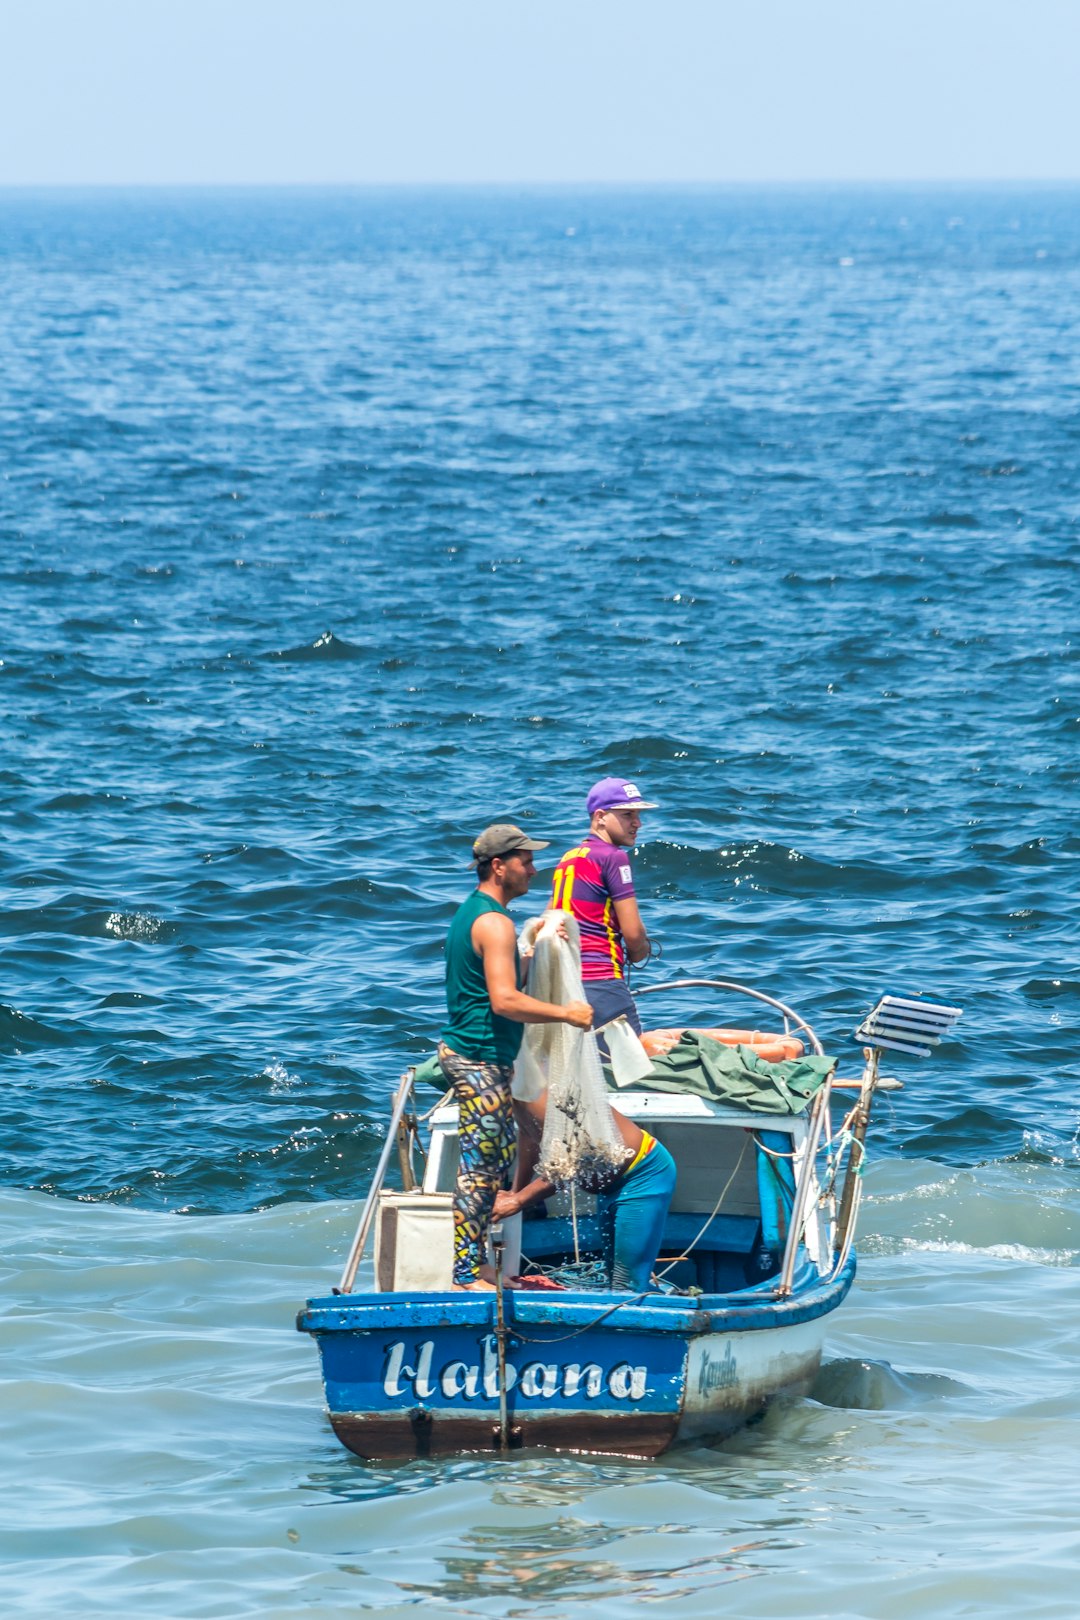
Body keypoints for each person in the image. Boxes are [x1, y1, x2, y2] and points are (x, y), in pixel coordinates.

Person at [438, 823, 593, 1292]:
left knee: (495, 1158)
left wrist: (538, 946)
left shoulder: (480, 916)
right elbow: (504, 1001)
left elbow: (503, 982)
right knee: (481, 1169)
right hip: (476, 1057)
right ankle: (465, 1274)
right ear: (499, 866)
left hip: (483, 1057)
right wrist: (567, 1012)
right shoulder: (492, 921)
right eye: (525, 861)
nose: (533, 869)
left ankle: (478, 1265)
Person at [493, 1094, 677, 1293]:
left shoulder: (540, 1093)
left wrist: (519, 1201)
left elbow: (578, 1159)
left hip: (643, 1174)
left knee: (626, 1283)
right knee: (613, 1274)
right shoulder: (519, 1095)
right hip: (608, 1186)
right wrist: (515, 1191)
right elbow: (529, 1137)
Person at [549, 777, 658, 1044]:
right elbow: (633, 934)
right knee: (629, 1068)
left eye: (639, 815)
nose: (638, 823)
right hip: (601, 982)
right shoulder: (613, 857)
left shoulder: (568, 858)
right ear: (600, 817)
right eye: (627, 814)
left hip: (562, 983)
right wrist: (641, 950)